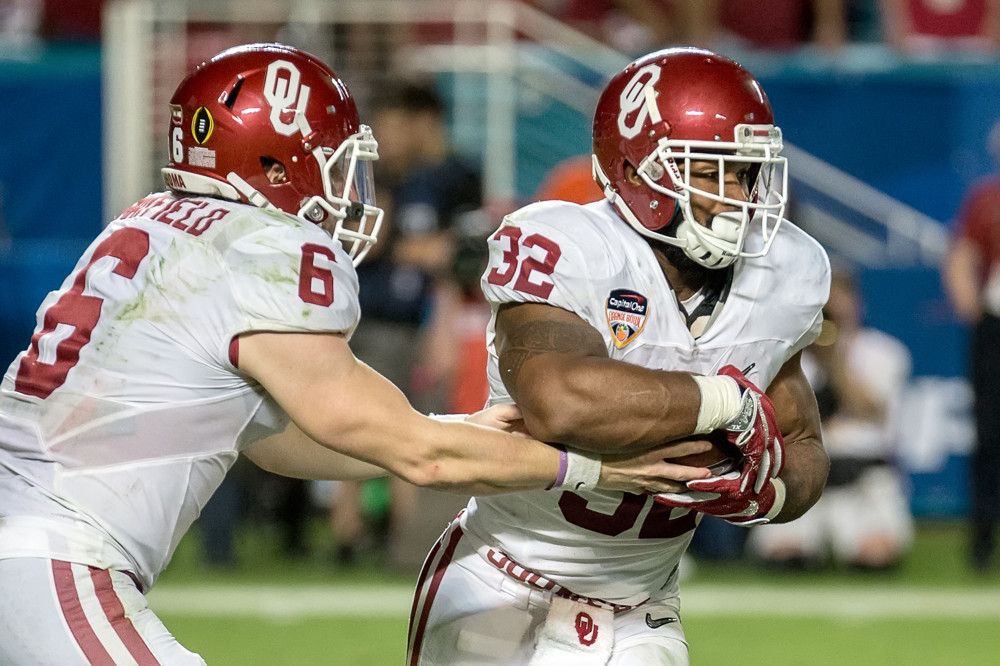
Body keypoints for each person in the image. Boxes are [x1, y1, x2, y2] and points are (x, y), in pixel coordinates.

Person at [0, 43, 713, 665]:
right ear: (274, 162)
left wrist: (459, 430)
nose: (345, 187)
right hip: (49, 558)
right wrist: (588, 466)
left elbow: (276, 441)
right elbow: (418, 458)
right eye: (329, 161)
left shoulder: (153, 223)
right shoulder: (263, 246)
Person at [408, 47, 832, 666]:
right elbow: (561, 402)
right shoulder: (570, 245)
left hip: (641, 605)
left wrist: (770, 494)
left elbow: (803, 444)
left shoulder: (781, 274)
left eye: (745, 172)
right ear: (639, 172)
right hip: (503, 580)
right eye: (712, 171)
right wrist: (725, 403)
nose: (738, 194)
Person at [749, 269, 914, 571]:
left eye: (839, 301)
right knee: (786, 556)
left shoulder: (884, 352)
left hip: (862, 477)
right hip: (803, 473)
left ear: (856, 303)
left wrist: (833, 357)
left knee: (875, 557)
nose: (832, 312)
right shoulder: (787, 358)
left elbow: (871, 410)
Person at [942, 117, 1000, 573]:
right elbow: (963, 254)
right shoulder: (987, 199)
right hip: (996, 326)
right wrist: (974, 311)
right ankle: (982, 537)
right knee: (990, 434)